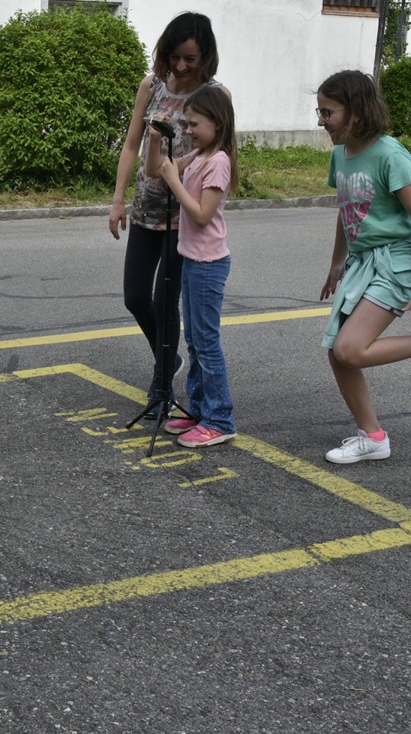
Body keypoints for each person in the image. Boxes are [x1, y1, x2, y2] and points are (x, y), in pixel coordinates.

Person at [313, 70, 411, 464]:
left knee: (350, 349)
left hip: (396, 262)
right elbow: (347, 210)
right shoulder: (340, 155)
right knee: (338, 352)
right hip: (363, 263)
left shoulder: (390, 154)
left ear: (356, 112)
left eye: (328, 112)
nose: (320, 121)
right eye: (319, 111)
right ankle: (372, 437)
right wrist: (337, 263)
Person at [107, 12, 225, 416]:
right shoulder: (152, 85)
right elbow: (131, 145)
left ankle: (161, 387)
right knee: (136, 297)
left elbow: (221, 153)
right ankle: (168, 359)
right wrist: (118, 199)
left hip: (184, 217)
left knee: (164, 301)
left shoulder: (215, 95)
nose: (181, 66)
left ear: (206, 55)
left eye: (191, 58)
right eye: (175, 56)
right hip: (146, 209)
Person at [144, 85, 239, 448]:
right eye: (186, 124)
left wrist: (174, 180)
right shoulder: (200, 155)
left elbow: (201, 215)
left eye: (195, 124)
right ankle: (199, 409)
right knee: (195, 341)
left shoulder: (218, 162)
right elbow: (155, 171)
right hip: (192, 260)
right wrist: (156, 138)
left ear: (218, 123)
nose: (189, 131)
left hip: (207, 264)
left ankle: (220, 418)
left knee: (207, 342)